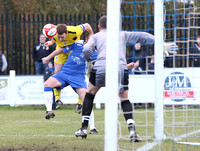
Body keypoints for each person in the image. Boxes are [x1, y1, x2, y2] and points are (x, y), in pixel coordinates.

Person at [75, 15, 155, 142]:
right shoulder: (122, 34)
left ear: (99, 27)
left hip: (101, 67)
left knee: (89, 94)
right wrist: (158, 40)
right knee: (124, 98)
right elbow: (142, 35)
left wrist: (89, 58)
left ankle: (84, 128)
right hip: (120, 68)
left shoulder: (95, 36)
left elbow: (85, 50)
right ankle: (132, 131)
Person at [42, 24, 98, 134]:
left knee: (87, 100)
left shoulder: (94, 53)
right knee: (47, 84)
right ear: (86, 39)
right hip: (65, 73)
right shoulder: (77, 43)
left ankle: (92, 128)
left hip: (78, 77)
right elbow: (61, 50)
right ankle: (49, 110)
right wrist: (48, 58)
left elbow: (99, 64)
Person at [44, 23, 93, 112]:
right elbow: (53, 38)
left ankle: (80, 102)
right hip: (61, 50)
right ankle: (57, 99)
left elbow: (87, 25)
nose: (61, 39)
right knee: (56, 72)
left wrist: (91, 35)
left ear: (67, 33)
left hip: (74, 49)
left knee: (80, 75)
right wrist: (52, 42)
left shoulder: (75, 30)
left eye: (62, 37)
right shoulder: (53, 30)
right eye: (59, 37)